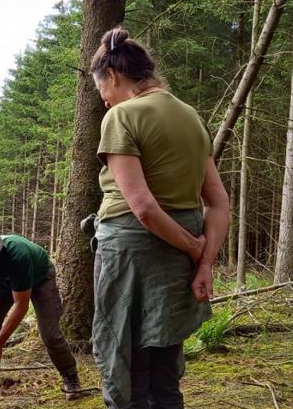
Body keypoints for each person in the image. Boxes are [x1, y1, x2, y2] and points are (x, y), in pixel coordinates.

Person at [90, 27, 230, 409]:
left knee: (126, 361)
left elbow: (144, 208)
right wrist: (203, 260)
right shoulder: (190, 116)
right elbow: (218, 202)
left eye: (103, 90)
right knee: (165, 368)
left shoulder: (122, 117)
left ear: (115, 76)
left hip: (130, 255)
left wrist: (193, 247)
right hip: (178, 260)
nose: (104, 101)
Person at [0, 228, 83, 408]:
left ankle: (70, 377)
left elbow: (21, 306)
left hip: (39, 278)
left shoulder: (17, 255)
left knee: (49, 333)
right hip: (2, 285)